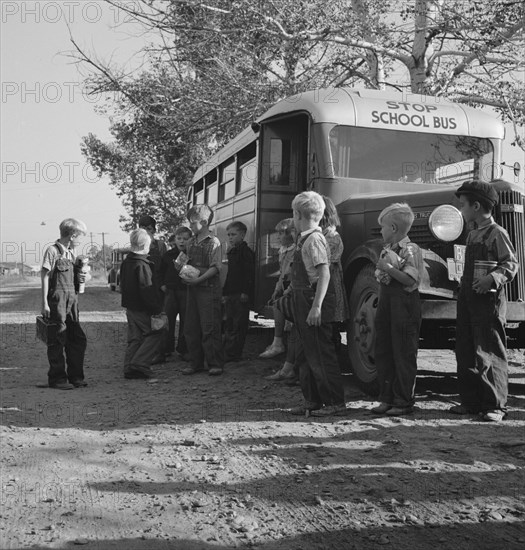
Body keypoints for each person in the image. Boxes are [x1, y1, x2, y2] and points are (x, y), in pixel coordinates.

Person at [450, 180, 519, 422]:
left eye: (463, 205)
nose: (461, 211)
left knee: (489, 349)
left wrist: (491, 279)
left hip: (487, 301)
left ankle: (495, 405)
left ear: (476, 206)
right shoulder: (472, 234)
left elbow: (511, 264)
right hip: (468, 298)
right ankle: (471, 402)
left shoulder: (497, 233)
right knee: (466, 348)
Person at [289, 191, 346, 417]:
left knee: (322, 354)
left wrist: (317, 306)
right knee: (305, 353)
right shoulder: (304, 237)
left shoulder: (314, 239)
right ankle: (312, 399)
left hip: (313, 299)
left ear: (297, 214)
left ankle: (335, 402)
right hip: (302, 299)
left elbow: (324, 273)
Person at [371, 203, 424, 416]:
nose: (381, 231)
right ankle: (386, 397)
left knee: (403, 352)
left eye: (382, 227)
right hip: (387, 303)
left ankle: (403, 400)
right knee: (384, 349)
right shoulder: (388, 250)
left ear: (393, 228)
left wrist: (389, 269)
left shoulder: (411, 249)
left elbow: (411, 279)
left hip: (405, 305)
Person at [40, 218, 88, 389]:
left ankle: (76, 377)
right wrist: (44, 302)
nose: (81, 240)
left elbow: (75, 280)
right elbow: (45, 276)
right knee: (57, 337)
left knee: (77, 338)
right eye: (80, 236)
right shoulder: (52, 251)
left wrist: (82, 277)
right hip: (57, 301)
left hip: (72, 301)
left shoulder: (72, 253)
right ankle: (57, 379)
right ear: (72, 235)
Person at [180, 204, 224, 376]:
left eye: (192, 223)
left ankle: (215, 363)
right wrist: (180, 267)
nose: (190, 226)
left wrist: (198, 279)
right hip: (193, 290)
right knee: (191, 326)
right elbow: (185, 261)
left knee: (209, 326)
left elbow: (215, 268)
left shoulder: (214, 242)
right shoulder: (191, 242)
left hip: (208, 289)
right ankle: (195, 362)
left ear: (204, 222)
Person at [120, 228, 164, 379]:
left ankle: (129, 368)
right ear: (145, 245)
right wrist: (156, 309)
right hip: (142, 308)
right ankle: (140, 363)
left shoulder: (126, 262)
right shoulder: (142, 265)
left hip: (130, 307)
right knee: (156, 332)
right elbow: (146, 290)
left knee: (135, 338)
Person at [259, 218, 295, 359]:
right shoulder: (284, 250)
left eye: (281, 233)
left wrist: (286, 289)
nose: (278, 237)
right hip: (286, 284)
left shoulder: (294, 250)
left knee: (280, 306)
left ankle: (278, 342)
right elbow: (282, 273)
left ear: (289, 234)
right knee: (276, 303)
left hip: (293, 285)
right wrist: (277, 289)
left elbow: (291, 272)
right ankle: (277, 341)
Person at [222, 221, 255, 363]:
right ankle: (228, 350)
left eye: (233, 234)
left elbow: (249, 274)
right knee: (229, 323)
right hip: (231, 293)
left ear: (242, 235)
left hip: (241, 294)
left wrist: (245, 292)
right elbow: (229, 275)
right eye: (228, 235)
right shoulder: (232, 252)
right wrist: (225, 292)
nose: (230, 237)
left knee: (239, 324)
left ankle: (235, 353)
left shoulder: (246, 252)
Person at [320, 196, 350, 352]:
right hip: (324, 284)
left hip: (329, 285)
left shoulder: (332, 237)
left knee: (330, 326)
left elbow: (327, 265)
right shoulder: (323, 234)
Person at [159, 227, 191, 360]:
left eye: (185, 239)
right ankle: (167, 348)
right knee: (168, 320)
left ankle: (184, 349)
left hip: (186, 291)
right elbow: (160, 272)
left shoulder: (192, 255)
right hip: (170, 291)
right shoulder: (168, 255)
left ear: (190, 240)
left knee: (186, 320)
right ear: (175, 240)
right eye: (179, 239)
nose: (182, 242)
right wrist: (162, 285)